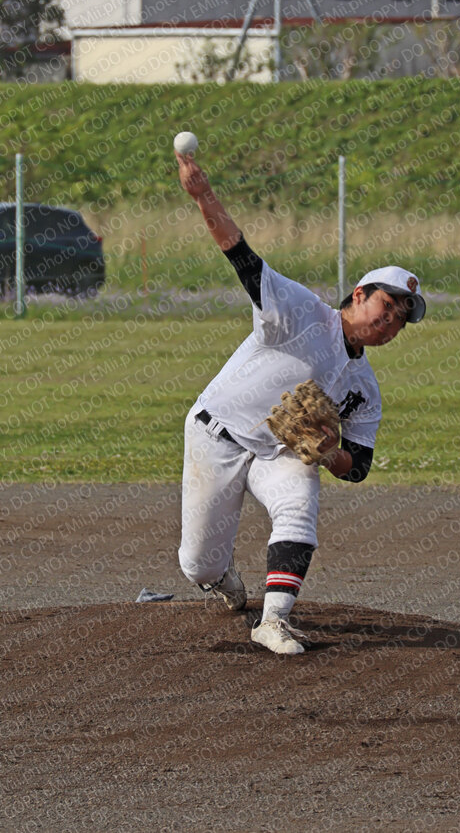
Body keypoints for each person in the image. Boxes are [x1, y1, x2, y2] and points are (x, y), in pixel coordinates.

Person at [176, 152, 426, 655]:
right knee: (198, 563)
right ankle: (220, 577)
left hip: (279, 453)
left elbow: (359, 466)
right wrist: (203, 195)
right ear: (360, 294)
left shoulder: (365, 390)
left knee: (299, 506)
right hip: (217, 434)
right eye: (387, 306)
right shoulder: (301, 311)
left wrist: (332, 454)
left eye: (401, 319)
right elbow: (240, 255)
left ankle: (274, 621)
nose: (391, 322)